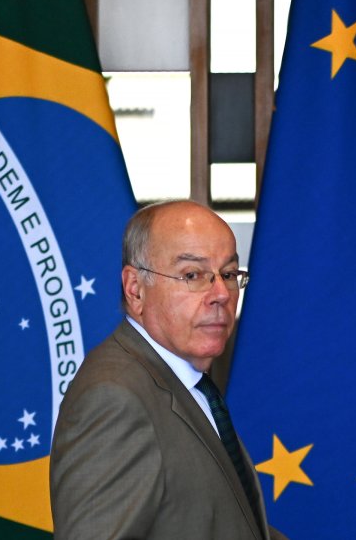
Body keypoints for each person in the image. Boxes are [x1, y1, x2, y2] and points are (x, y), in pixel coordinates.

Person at [50, 200, 286, 540]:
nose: (221, 294)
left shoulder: (185, 379)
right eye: (193, 275)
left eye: (229, 274)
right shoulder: (115, 399)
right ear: (135, 290)